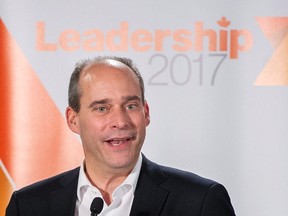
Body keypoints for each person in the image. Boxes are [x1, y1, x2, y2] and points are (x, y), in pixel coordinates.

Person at [6, 56, 236, 216]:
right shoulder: (27, 206)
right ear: (73, 120)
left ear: (146, 113)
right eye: (101, 108)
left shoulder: (200, 202)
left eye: (130, 106)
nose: (120, 122)